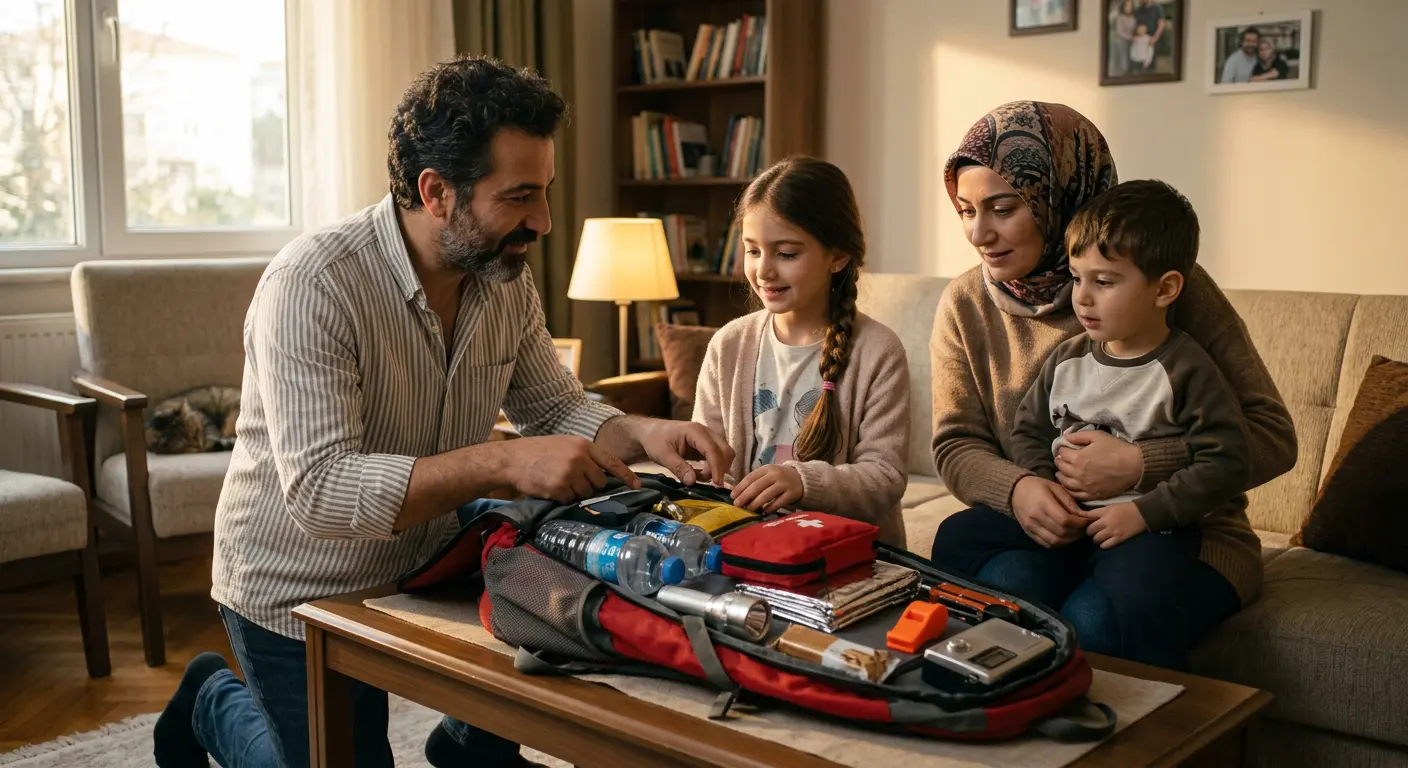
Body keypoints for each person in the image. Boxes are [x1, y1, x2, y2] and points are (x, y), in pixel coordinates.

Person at [152, 55, 734, 768]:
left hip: (427, 555)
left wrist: (647, 432)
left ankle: (466, 746)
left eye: (545, 192)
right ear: (436, 192)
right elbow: (323, 493)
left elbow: (553, 406)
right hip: (298, 584)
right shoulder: (312, 285)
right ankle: (212, 699)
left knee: (556, 578)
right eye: (520, 197)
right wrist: (505, 460)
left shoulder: (503, 278)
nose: (544, 221)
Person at [927, 101, 1296, 671]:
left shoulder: (1162, 284)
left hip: (1181, 534)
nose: (979, 233)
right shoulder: (965, 303)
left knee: (1094, 623)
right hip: (1049, 529)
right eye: (966, 210)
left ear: (1059, 197)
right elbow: (956, 444)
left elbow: (1271, 435)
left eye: (1003, 208)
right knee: (1007, 592)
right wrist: (1022, 489)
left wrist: (1140, 465)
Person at [1005, 179, 1255, 669]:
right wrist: (1044, 485)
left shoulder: (1186, 368)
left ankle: (1160, 700)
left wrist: (1144, 513)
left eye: (1103, 282)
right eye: (1076, 278)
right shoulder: (1067, 358)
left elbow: (1228, 459)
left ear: (1165, 289)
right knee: (960, 536)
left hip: (1148, 527)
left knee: (1135, 598)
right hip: (1072, 519)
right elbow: (1028, 430)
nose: (1082, 299)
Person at [692, 157, 911, 547]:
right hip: (749, 547)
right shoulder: (729, 344)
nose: (764, 271)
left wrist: (802, 481)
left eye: (787, 254)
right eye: (753, 250)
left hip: (850, 555)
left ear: (837, 256)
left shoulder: (878, 351)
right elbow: (706, 457)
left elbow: (885, 477)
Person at [1109, 1, 1137, 77]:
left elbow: (1134, 30)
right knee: (1121, 61)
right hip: (1120, 42)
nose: (1129, 8)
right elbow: (1119, 32)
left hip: (1130, 43)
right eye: (1127, 6)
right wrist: (1131, 38)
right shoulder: (1120, 18)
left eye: (1130, 6)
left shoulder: (1134, 18)